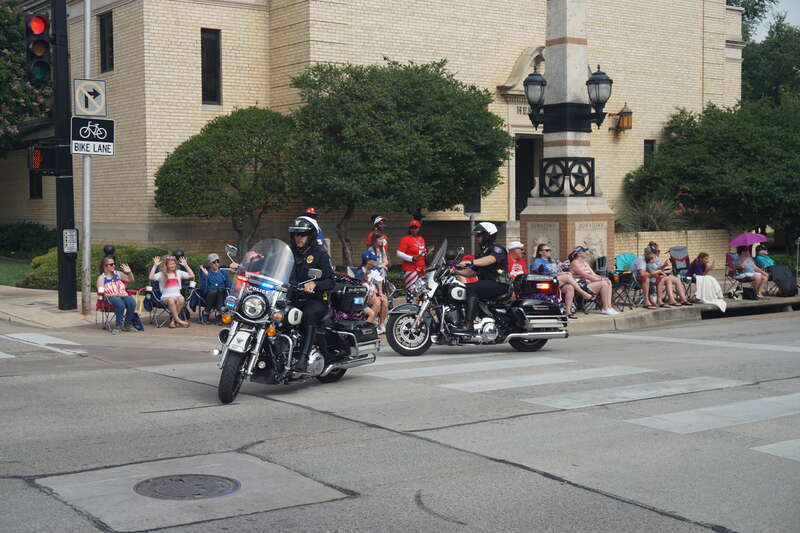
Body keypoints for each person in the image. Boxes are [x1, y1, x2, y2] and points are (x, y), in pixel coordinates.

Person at [288, 215, 335, 371]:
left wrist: (315, 284)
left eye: (302, 234)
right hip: (292, 299)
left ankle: (303, 358)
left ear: (310, 235)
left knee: (308, 314)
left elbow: (330, 281)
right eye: (296, 234)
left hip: (315, 301)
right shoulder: (290, 253)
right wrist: (252, 263)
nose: (299, 238)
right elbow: (272, 266)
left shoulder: (320, 255)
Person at [452, 222, 509, 334]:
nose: (477, 238)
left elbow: (491, 259)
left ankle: (469, 326)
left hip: (498, 284)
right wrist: (455, 271)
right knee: (461, 288)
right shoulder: (481, 254)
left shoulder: (497, 249)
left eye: (479, 235)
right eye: (477, 235)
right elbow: (472, 272)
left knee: (472, 288)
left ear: (488, 236)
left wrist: (471, 261)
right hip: (486, 284)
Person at [531, 243, 594, 319]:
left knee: (569, 287)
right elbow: (536, 274)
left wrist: (564, 273)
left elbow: (557, 272)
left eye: (549, 250)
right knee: (567, 277)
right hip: (545, 282)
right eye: (547, 250)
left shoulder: (551, 261)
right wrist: (560, 275)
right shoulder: (537, 261)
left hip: (555, 281)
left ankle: (568, 311)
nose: (549, 252)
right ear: (540, 252)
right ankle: (583, 293)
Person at [568, 246, 619, 315]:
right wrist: (600, 279)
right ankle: (605, 308)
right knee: (603, 283)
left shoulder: (585, 263)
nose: (587, 253)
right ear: (579, 254)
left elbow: (593, 274)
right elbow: (586, 275)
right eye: (584, 251)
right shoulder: (574, 263)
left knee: (608, 281)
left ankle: (609, 307)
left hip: (588, 284)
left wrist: (603, 278)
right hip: (579, 286)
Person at [149, 255, 194, 328]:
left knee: (182, 299)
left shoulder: (178, 273)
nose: (173, 265)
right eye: (170, 264)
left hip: (177, 295)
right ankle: (178, 320)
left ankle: (173, 321)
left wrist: (186, 265)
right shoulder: (162, 274)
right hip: (166, 297)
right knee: (171, 299)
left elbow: (192, 275)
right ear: (166, 265)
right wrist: (155, 266)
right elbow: (151, 277)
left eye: (174, 263)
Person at [97, 256, 136, 334]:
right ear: (105, 266)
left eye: (114, 264)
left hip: (122, 295)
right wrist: (114, 294)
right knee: (120, 303)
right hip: (110, 298)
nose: (114, 265)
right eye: (111, 264)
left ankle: (127, 325)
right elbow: (101, 293)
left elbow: (131, 280)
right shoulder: (101, 278)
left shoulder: (118, 273)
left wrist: (129, 272)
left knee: (132, 302)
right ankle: (118, 327)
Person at [645, 242, 692, 307]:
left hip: (661, 275)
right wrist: (662, 268)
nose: (658, 252)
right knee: (669, 279)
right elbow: (652, 272)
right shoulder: (649, 258)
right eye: (657, 251)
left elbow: (661, 269)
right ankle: (671, 300)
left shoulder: (657, 259)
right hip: (654, 277)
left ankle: (683, 299)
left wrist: (664, 266)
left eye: (658, 251)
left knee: (677, 279)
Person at [397, 219, 432, 303]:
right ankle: (411, 309)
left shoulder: (421, 239)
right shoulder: (406, 239)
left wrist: (427, 253)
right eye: (412, 228)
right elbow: (399, 253)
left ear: (419, 228)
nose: (413, 229)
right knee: (411, 290)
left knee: (422, 291)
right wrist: (412, 258)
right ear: (409, 229)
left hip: (421, 269)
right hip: (410, 269)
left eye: (415, 227)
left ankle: (420, 310)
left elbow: (420, 253)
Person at [354, 249, 388, 332]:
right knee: (377, 301)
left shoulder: (374, 269)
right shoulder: (360, 272)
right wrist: (370, 292)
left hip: (373, 294)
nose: (376, 261)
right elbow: (358, 288)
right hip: (361, 298)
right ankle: (369, 325)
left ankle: (381, 324)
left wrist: (380, 292)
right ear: (368, 261)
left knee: (384, 299)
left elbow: (379, 280)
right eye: (374, 259)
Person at [199, 253, 233, 324]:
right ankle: (206, 312)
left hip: (221, 294)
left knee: (221, 289)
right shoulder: (205, 272)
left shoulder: (223, 273)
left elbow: (229, 285)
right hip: (208, 295)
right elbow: (203, 287)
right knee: (214, 291)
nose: (216, 263)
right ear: (210, 263)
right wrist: (206, 276)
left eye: (218, 261)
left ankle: (218, 313)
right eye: (214, 262)